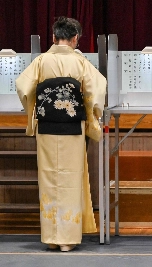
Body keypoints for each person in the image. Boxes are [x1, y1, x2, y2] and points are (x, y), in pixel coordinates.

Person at [16, 16, 106, 252]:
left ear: (54, 38)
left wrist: (34, 110)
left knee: (49, 180)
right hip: (72, 129)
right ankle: (67, 239)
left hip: (47, 129)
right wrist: (91, 115)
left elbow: (23, 87)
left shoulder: (41, 61)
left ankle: (52, 238)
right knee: (70, 180)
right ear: (75, 38)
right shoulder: (81, 63)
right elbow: (95, 92)